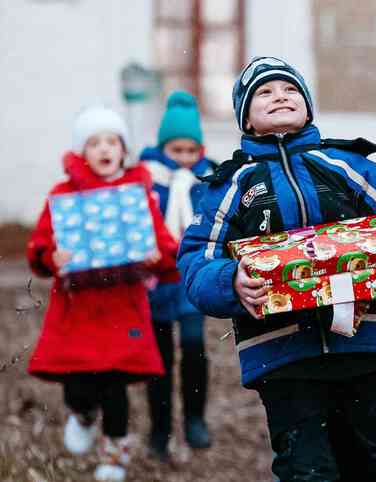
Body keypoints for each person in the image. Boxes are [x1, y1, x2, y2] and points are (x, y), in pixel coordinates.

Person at [176, 56, 376, 481]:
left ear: (308, 106)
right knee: (306, 467)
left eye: (290, 90)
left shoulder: (350, 165)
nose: (280, 96)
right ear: (245, 118)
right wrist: (231, 282)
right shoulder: (229, 186)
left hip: (363, 343)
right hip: (282, 354)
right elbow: (195, 259)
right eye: (264, 92)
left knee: (371, 460)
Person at [26, 106, 178, 482]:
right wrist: (52, 256)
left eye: (112, 140)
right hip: (78, 308)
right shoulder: (63, 194)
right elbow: (41, 246)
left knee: (115, 385)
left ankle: (115, 455)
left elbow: (165, 248)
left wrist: (157, 257)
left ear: (123, 149)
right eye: (94, 142)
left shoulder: (138, 195)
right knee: (78, 383)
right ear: (82, 151)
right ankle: (82, 412)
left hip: (123, 307)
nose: (104, 148)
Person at [139, 91, 216, 460]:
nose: (185, 159)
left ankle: (195, 418)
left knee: (194, 346)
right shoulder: (147, 180)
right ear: (163, 147)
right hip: (155, 281)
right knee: (159, 357)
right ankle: (160, 427)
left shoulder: (208, 179)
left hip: (189, 279)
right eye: (177, 151)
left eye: (191, 151)